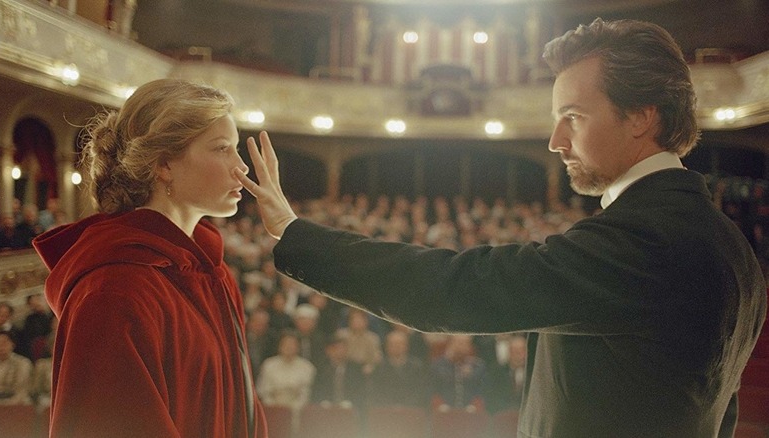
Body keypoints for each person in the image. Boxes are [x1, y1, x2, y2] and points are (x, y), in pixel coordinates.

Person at [236, 18, 767, 437]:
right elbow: (718, 414)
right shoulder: (731, 245)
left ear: (641, 117)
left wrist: (294, 232)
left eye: (574, 116)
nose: (556, 141)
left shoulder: (644, 240)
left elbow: (454, 288)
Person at [32, 78, 267, 437]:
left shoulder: (210, 272)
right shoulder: (113, 290)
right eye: (222, 148)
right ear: (164, 165)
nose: (241, 166)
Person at [0, 331, 33, 406]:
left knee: (26, 401)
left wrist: (9, 404)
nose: (0, 346)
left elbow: (23, 389)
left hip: (16, 401)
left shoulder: (23, 363)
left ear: (13, 344)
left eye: (4, 343)